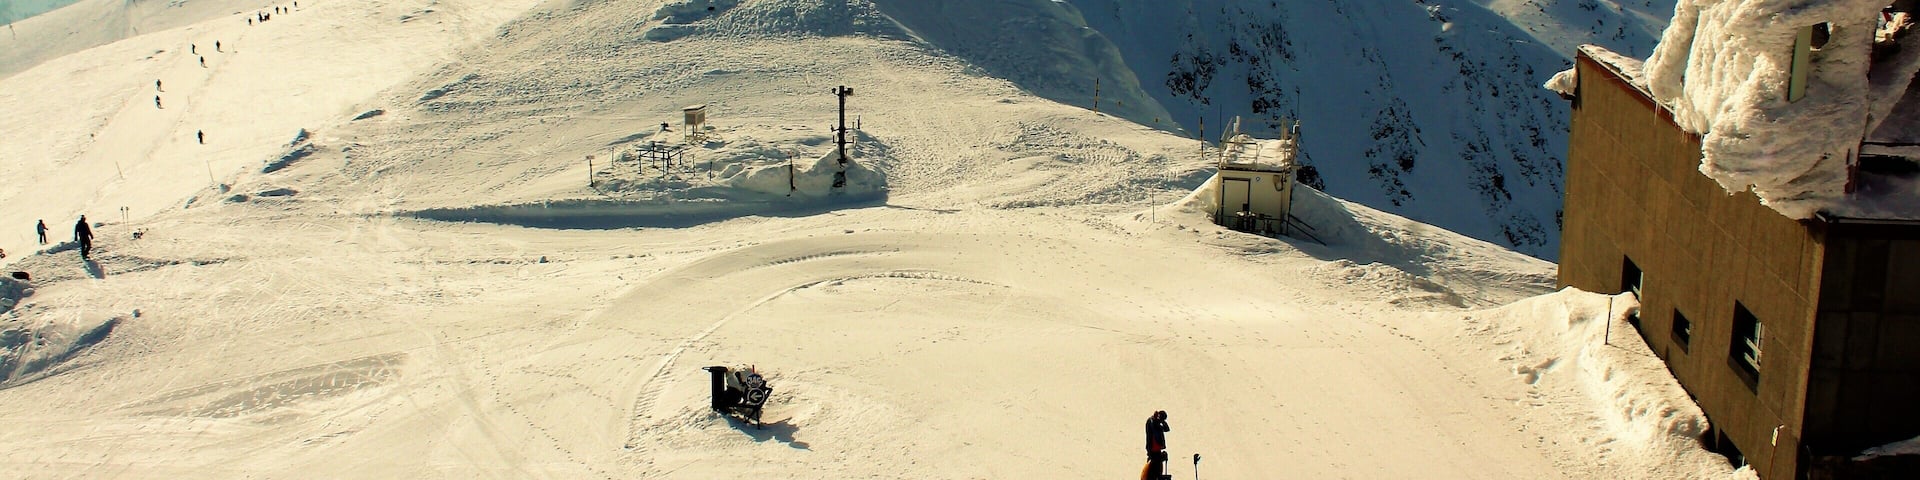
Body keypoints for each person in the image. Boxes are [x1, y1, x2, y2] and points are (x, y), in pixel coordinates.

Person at [1144, 410, 1171, 480]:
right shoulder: (1151, 421)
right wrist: (1157, 419)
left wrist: (1162, 421)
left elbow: (1167, 429)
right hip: (1152, 449)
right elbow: (1154, 427)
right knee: (1153, 467)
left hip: (1157, 449)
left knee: (1158, 468)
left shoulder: (1158, 423)